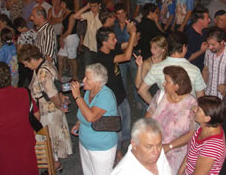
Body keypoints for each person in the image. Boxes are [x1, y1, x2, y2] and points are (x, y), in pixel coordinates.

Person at [18, 44, 72, 171]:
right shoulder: (46, 64)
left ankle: (54, 164)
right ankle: (55, 163)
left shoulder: (42, 72)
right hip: (49, 107)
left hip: (48, 110)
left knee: (49, 138)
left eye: (25, 63)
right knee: (51, 137)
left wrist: (60, 105)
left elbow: (52, 93)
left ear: (31, 59)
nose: (25, 66)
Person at [0, 62, 38, 175]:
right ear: (10, 77)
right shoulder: (24, 93)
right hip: (25, 143)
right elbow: (36, 115)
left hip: (3, 150)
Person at [95, 25, 137, 160]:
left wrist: (133, 35)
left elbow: (131, 44)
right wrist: (132, 34)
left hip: (121, 95)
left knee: (126, 125)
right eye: (113, 39)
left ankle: (126, 146)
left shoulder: (111, 49)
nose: (116, 41)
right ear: (104, 42)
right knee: (116, 129)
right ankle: (117, 154)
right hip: (111, 101)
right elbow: (126, 56)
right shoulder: (101, 58)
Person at [146, 66, 197, 174]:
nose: (163, 83)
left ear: (177, 86)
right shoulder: (160, 95)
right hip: (153, 150)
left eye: (167, 81)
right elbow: (147, 119)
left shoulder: (191, 104)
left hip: (176, 155)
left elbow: (193, 133)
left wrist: (169, 147)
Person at [70, 63, 118, 175]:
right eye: (85, 77)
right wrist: (78, 124)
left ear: (98, 82)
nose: (83, 80)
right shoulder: (88, 92)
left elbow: (91, 116)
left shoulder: (106, 96)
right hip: (85, 144)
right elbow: (83, 112)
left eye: (88, 78)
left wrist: (77, 96)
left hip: (102, 148)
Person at [138, 32, 206, 104]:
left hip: (165, 111)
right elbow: (200, 98)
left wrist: (155, 106)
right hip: (187, 112)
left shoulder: (156, 67)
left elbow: (141, 90)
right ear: (184, 47)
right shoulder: (195, 70)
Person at [178, 96, 226, 175]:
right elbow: (190, 151)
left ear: (207, 118)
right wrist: (180, 172)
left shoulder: (212, 147)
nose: (194, 110)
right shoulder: (204, 127)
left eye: (198, 110)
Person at [135, 36, 168, 100]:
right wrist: (139, 66)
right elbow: (138, 85)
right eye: (151, 47)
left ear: (163, 49)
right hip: (151, 98)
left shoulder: (168, 61)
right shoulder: (147, 63)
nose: (152, 50)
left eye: (155, 48)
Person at [202, 27, 226, 98]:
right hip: (208, 94)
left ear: (222, 42)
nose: (210, 47)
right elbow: (205, 70)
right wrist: (202, 90)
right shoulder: (208, 52)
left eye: (213, 45)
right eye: (208, 44)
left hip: (222, 97)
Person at [57, 0, 79, 79]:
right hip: (66, 37)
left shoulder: (72, 15)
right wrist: (61, 36)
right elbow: (63, 26)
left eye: (63, 3)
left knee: (72, 59)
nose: (61, 5)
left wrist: (61, 37)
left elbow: (69, 30)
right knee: (60, 56)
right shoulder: (65, 13)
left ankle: (75, 77)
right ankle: (60, 75)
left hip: (71, 38)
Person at [185, 6, 210, 71]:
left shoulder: (205, 31)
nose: (209, 20)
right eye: (207, 18)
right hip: (193, 71)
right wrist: (201, 51)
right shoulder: (188, 35)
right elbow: (187, 58)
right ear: (200, 20)